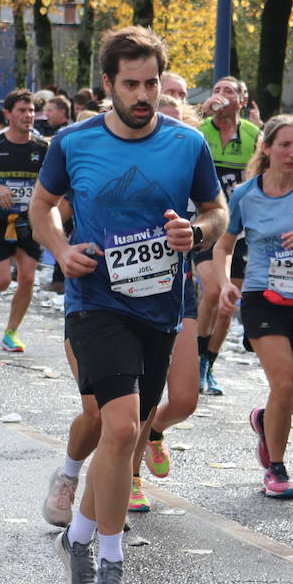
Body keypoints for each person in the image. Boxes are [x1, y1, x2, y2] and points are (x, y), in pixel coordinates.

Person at [31, 26, 226, 584]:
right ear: (108, 85)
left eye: (151, 83)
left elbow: (217, 211)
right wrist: (62, 254)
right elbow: (42, 209)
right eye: (131, 84)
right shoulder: (73, 142)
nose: (142, 95)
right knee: (118, 430)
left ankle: (80, 537)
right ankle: (112, 565)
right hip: (95, 302)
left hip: (161, 307)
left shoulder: (188, 144)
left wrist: (197, 234)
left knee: (129, 433)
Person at [216, 115, 293, 498]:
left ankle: (264, 420)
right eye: (284, 145)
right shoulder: (245, 195)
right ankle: (276, 468)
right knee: (283, 383)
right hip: (262, 297)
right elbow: (224, 244)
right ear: (267, 148)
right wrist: (224, 283)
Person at [126, 93, 204, 510]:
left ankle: (154, 431)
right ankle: (132, 475)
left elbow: (215, 214)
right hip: (128, 289)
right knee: (138, 392)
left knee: (186, 399)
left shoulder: (194, 158)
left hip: (179, 285)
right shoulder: (129, 160)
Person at [196, 75, 259, 395]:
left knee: (228, 302)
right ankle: (194, 358)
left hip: (240, 232)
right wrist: (199, 113)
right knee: (212, 289)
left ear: (242, 102)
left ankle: (208, 362)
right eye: (217, 90)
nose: (221, 95)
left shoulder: (253, 136)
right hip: (206, 225)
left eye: (228, 91)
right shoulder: (199, 131)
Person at [0, 89, 47, 352]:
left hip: (30, 222)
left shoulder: (42, 148)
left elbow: (52, 182)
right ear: (7, 114)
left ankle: (11, 332)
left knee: (27, 277)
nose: (28, 116)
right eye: (21, 110)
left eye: (31, 111)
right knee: (4, 279)